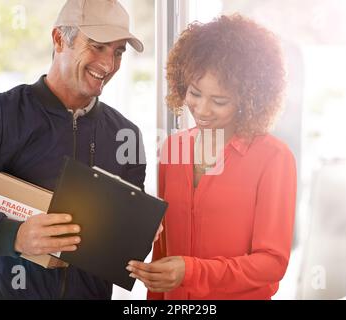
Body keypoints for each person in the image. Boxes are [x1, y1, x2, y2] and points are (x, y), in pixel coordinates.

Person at [0, 0, 148, 299]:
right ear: (58, 39)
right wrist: (13, 236)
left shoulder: (125, 135)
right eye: (97, 46)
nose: (109, 65)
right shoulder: (1, 114)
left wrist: (141, 232)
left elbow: (124, 252)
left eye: (118, 52)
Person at [127, 14, 297, 300]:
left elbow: (271, 264)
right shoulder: (173, 149)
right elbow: (164, 253)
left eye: (219, 101)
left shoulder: (273, 158)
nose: (202, 110)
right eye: (194, 93)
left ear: (248, 99)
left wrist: (192, 271)